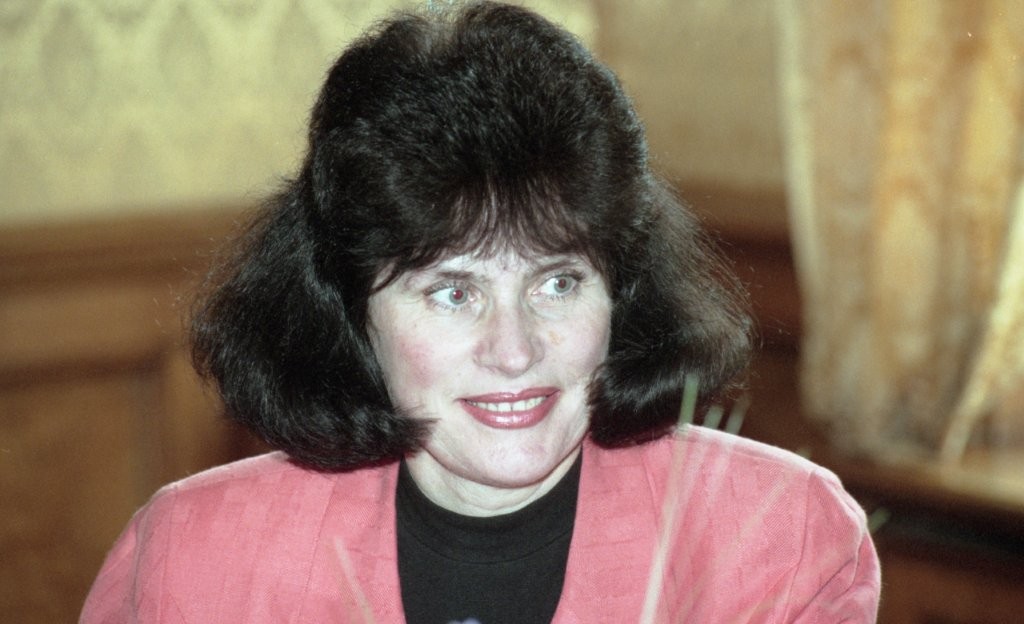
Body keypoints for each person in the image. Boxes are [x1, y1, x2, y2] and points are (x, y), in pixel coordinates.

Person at [80, 2, 880, 622]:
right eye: (454, 292)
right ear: (351, 309)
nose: (515, 350)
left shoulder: (783, 541)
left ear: (622, 288)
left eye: (557, 283)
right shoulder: (192, 559)